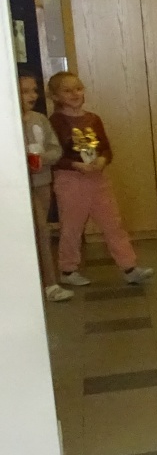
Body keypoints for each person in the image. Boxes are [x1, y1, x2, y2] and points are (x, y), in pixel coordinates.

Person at [46, 72, 153, 289]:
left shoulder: (93, 119)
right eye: (67, 91)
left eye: (78, 88)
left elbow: (105, 148)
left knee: (113, 223)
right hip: (70, 180)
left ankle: (129, 267)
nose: (75, 94)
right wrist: (76, 165)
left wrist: (103, 160)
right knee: (72, 226)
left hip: (97, 178)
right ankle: (68, 269)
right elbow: (55, 156)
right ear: (56, 96)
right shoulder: (55, 122)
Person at [18, 75, 69, 303]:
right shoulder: (8, 121)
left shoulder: (39, 119)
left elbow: (55, 149)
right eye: (25, 91)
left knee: (42, 230)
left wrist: (42, 159)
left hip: (41, 183)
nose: (32, 96)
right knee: (34, 231)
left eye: (34, 90)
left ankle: (48, 283)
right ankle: (41, 284)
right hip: (18, 187)